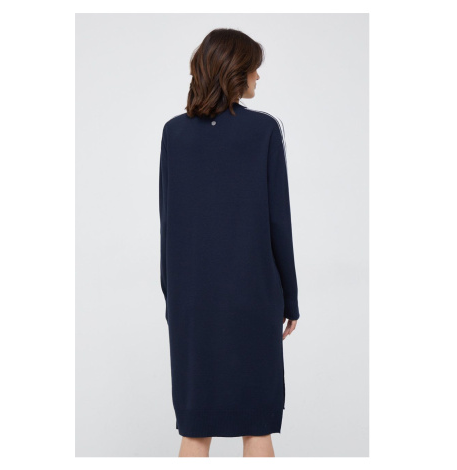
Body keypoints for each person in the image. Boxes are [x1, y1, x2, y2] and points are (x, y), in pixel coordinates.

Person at [159, 28, 300, 457]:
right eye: (254, 67)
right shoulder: (263, 130)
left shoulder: (173, 133)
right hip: (252, 300)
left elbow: (169, 223)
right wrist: (290, 300)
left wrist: (173, 298)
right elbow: (279, 222)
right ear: (236, 71)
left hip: (192, 303)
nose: (258, 76)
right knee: (256, 426)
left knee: (194, 429)